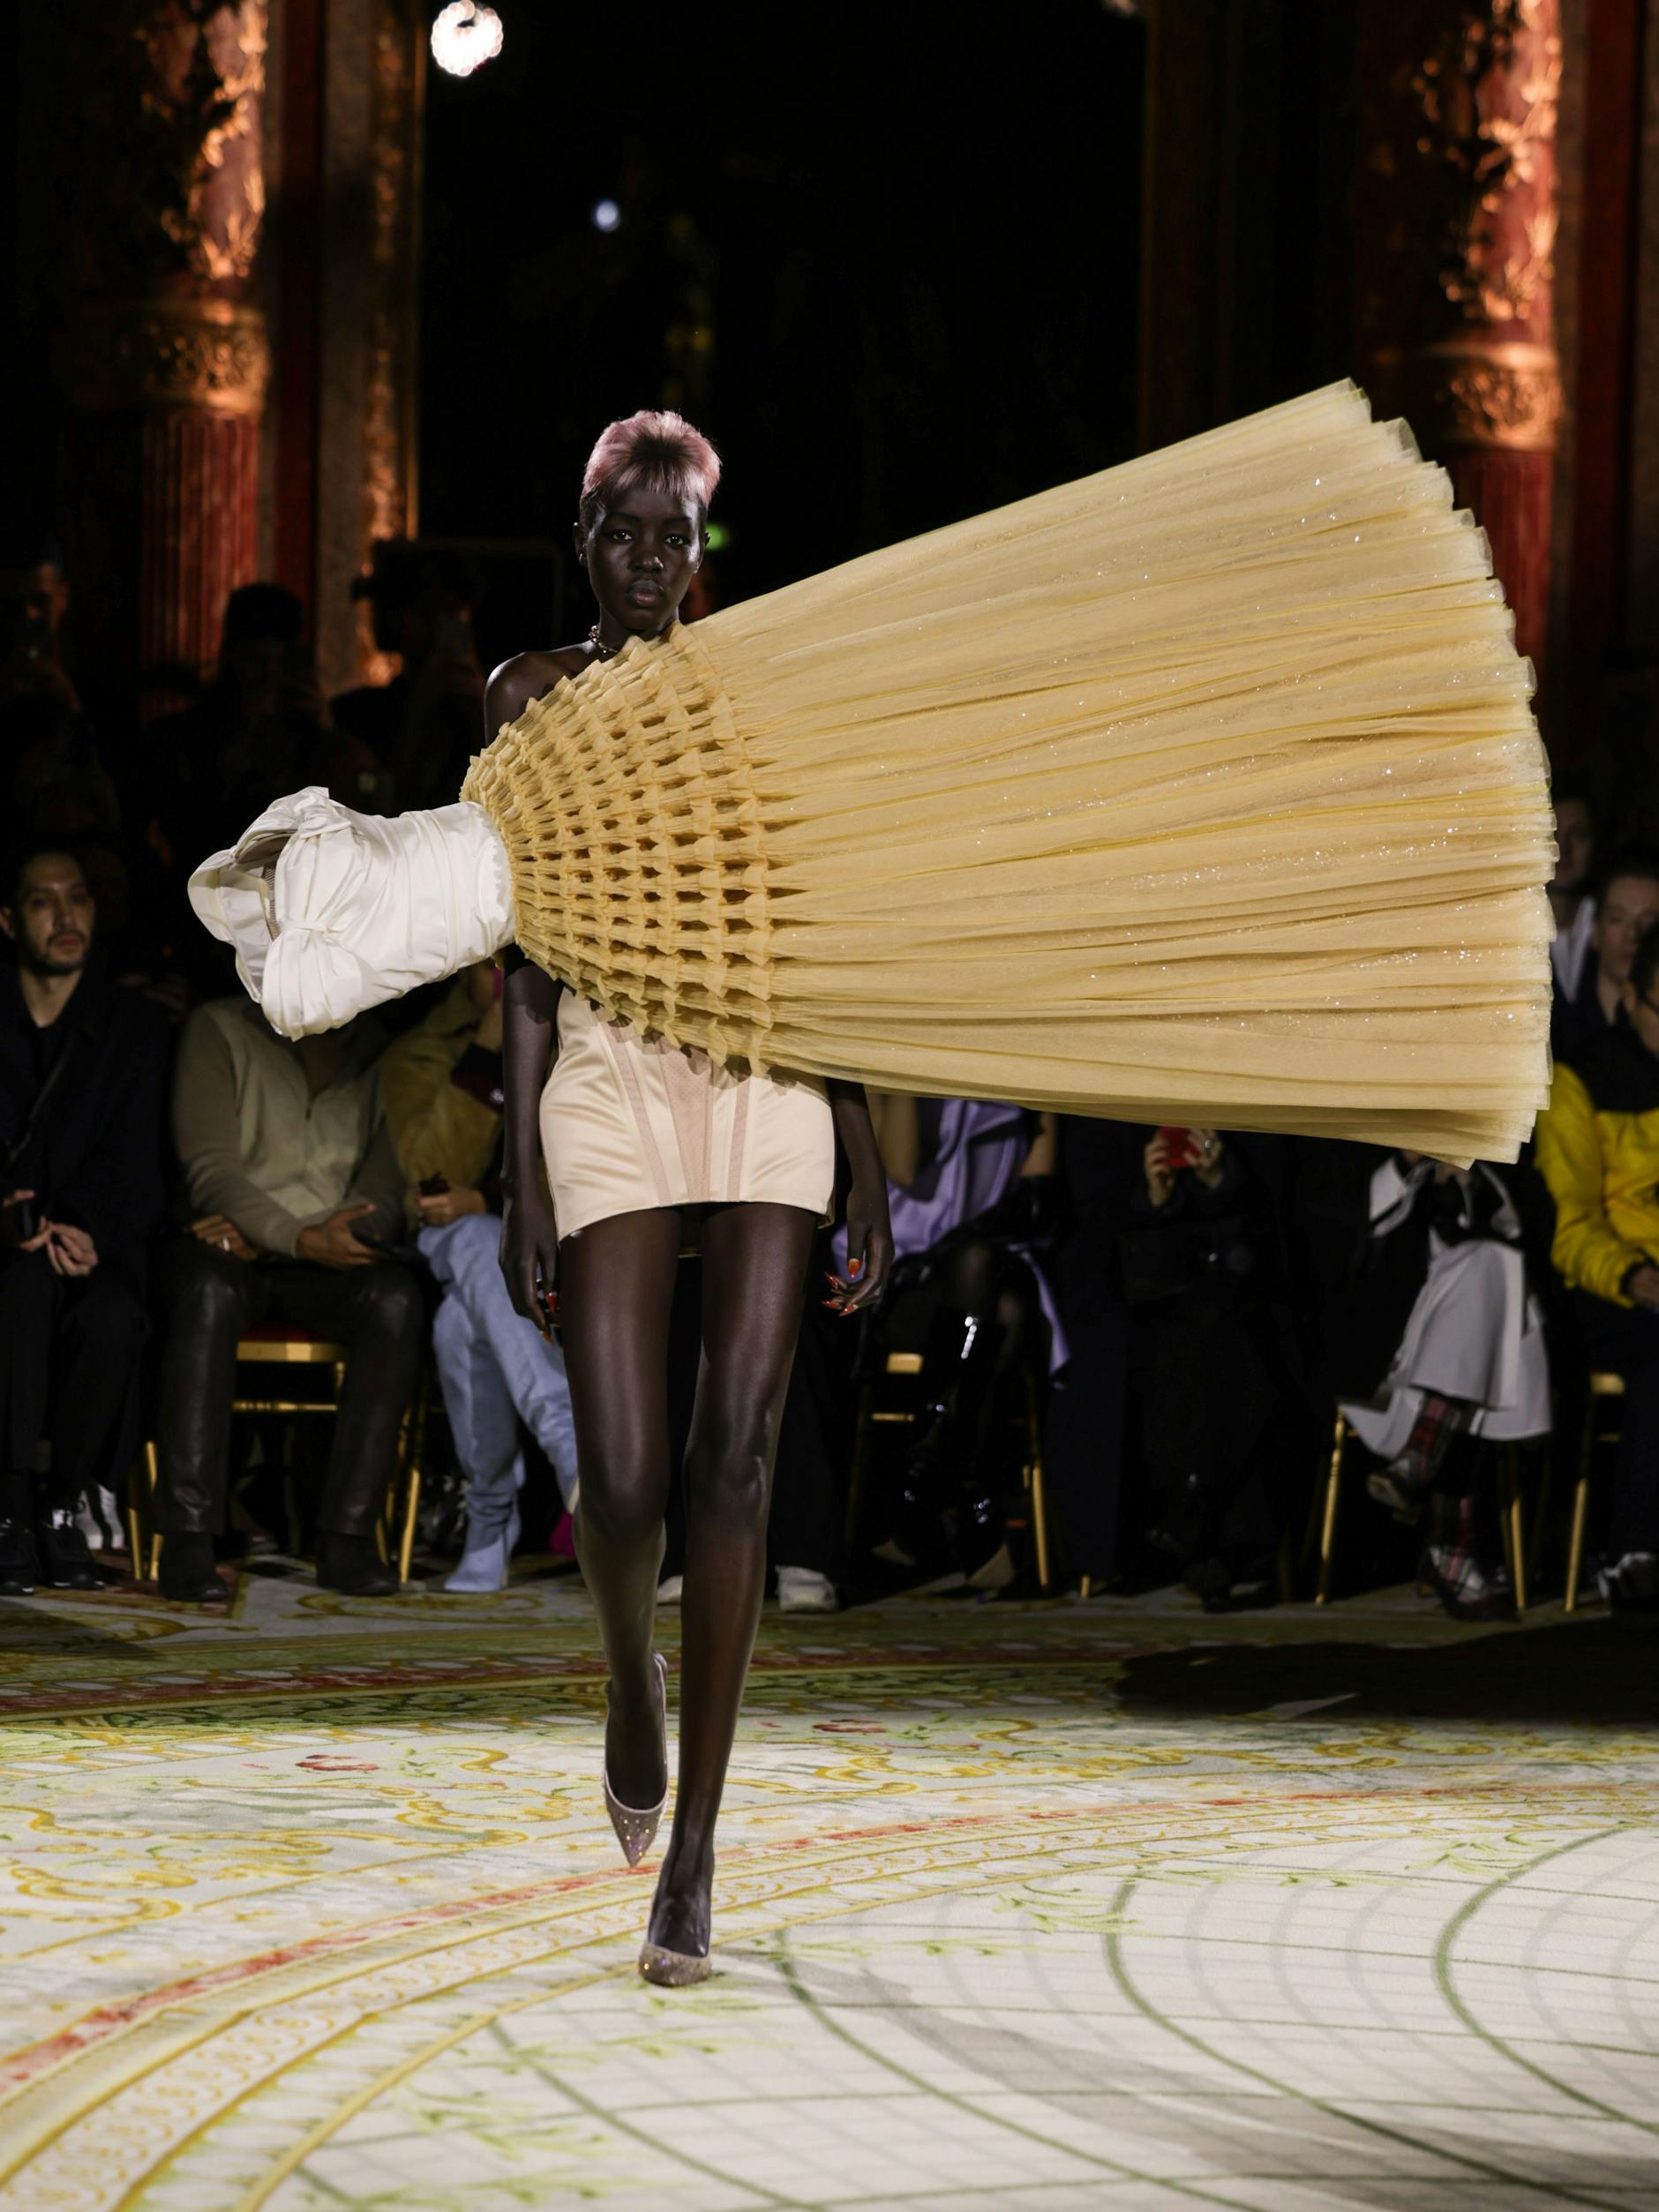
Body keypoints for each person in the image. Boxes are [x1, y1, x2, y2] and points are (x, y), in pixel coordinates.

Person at [190, 391, 1555, 1968]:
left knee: (735, 1457)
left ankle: (693, 1848)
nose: (648, 561)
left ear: (702, 548)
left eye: (673, 537)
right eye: (620, 536)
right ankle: (630, 1682)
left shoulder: (761, 687)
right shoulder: (529, 689)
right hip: (615, 1080)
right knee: (624, 1479)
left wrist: (854, 1153)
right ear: (582, 545)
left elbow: (808, 923)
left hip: (765, 1067)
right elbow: (527, 950)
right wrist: (535, 1184)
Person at [152, 996, 423, 1601]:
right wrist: (290, 1235)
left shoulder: (385, 1048)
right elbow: (212, 1170)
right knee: (206, 1289)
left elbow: (385, 1186)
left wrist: (317, 1240)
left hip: (325, 1248)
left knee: (394, 1300)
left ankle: (349, 1536)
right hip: (232, 1242)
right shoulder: (219, 1026)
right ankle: (189, 1535)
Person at [381, 960, 580, 1592]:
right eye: (486, 963)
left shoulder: (575, 1037)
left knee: (458, 1324)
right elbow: (429, 1177)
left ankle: (490, 1514)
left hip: (560, 1249)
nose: (499, 974)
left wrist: (494, 1205)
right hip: (450, 1244)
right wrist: (490, 1044)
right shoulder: (420, 1052)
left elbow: (582, 1170)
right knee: (466, 1237)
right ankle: (567, 1439)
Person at [0, 845, 168, 1593]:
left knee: (114, 1318)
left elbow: (141, 1162)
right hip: (5, 1250)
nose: (66, 916)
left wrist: (81, 1225)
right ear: (10, 920)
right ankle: (9, 1508)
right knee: (20, 1293)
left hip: (93, 1247)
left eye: (78, 898)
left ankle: (64, 1503)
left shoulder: (132, 1027)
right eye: (44, 901)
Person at [1535, 920, 1659, 1612]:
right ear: (1633, 999)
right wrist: (1634, 1274)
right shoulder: (1584, 1078)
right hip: (1609, 1286)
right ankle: (1634, 1550)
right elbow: (1570, 1223)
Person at [1551, 848, 1659, 1066]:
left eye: (1649, 923)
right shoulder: (1556, 1033)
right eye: (1617, 919)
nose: (1633, 934)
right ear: (1595, 932)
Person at [1548, 773, 1596, 1006]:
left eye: (1577, 835)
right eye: (1552, 835)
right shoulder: (1504, 934)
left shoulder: (1616, 924)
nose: (1563, 849)